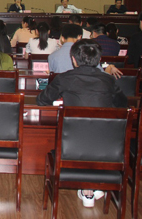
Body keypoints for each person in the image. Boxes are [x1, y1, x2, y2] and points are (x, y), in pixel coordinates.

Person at [37, 39, 128, 208]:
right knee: (94, 138)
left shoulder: (64, 78)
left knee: (81, 139)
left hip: (71, 149)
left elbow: (42, 100)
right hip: (107, 150)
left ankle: (88, 190)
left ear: (73, 59)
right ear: (99, 59)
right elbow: (123, 105)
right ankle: (91, 188)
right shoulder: (108, 80)